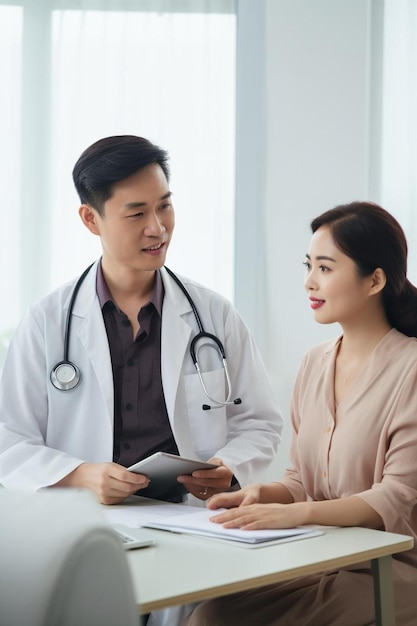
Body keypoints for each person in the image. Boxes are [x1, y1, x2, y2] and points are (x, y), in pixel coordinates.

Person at [0, 135, 282, 626]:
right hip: (86, 525)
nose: (158, 228)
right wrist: (80, 476)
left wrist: (226, 465)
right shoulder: (48, 322)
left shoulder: (212, 315)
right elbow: (9, 440)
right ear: (92, 219)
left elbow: (259, 421)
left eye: (165, 207)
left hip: (193, 522)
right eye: (136, 214)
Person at [185, 201, 417, 626]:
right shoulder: (314, 362)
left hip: (393, 568)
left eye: (326, 269)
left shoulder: (411, 369)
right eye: (308, 266)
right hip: (321, 557)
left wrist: (293, 514)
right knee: (210, 615)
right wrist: (262, 495)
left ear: (375, 280)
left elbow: (395, 497)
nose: (309, 282)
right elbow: (300, 478)